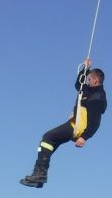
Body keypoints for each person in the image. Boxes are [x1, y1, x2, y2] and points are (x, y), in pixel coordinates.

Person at [20, 59, 107, 189]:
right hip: (72, 124)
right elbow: (78, 84)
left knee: (47, 137)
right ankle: (38, 177)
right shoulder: (87, 90)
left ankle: (40, 174)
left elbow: (95, 122)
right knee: (49, 144)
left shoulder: (98, 97)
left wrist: (84, 137)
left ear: (95, 80)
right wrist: (86, 69)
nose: (87, 81)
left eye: (89, 79)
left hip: (77, 128)